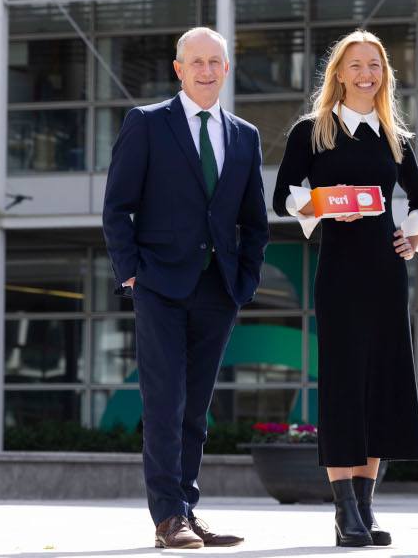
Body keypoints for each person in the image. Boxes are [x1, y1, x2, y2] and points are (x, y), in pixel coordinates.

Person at [102, 27, 269, 549]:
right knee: (165, 401)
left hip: (218, 289)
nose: (205, 70)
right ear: (178, 68)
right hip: (159, 284)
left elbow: (254, 221)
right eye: (194, 61)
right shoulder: (147, 124)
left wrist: (244, 281)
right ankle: (167, 517)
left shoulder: (243, 135)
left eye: (214, 61)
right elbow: (117, 206)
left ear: (226, 68)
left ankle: (188, 510)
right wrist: (130, 271)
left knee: (196, 407)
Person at [273, 30, 418, 548]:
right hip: (339, 274)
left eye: (375, 65)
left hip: (387, 275)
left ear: (384, 74)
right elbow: (282, 197)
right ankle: (344, 513)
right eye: (356, 65)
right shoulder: (312, 131)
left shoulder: (394, 136)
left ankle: (365, 507)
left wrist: (414, 237)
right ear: (338, 73)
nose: (366, 74)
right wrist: (326, 202)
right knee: (344, 387)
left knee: (380, 387)